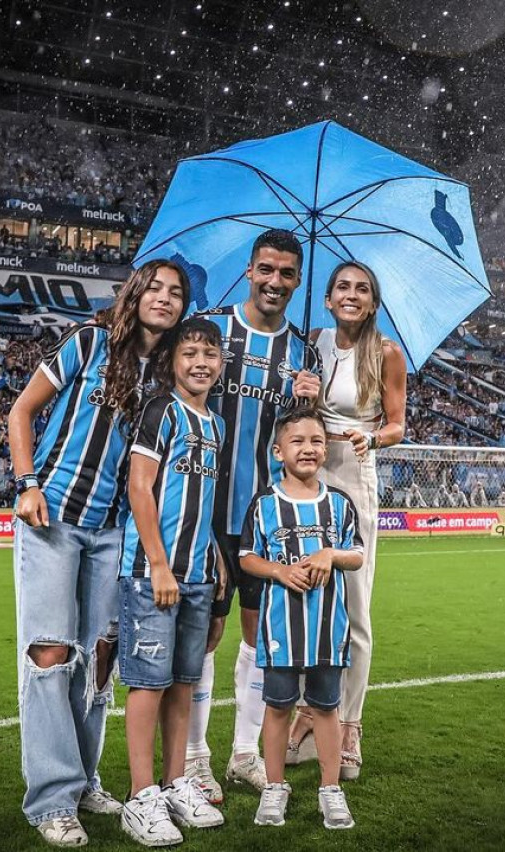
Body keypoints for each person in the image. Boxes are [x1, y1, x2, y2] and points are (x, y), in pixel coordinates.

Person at [7, 259, 190, 847]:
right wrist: (26, 482)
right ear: (134, 293)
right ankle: (51, 800)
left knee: (99, 658)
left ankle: (85, 780)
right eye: (154, 287)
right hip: (54, 519)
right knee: (50, 655)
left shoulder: (167, 378)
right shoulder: (88, 343)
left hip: (114, 531)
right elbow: (21, 410)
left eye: (175, 293)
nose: (163, 298)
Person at [184, 229, 320, 802]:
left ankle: (244, 753)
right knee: (202, 637)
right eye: (267, 269)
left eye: (288, 273)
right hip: (206, 511)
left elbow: (305, 439)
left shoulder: (304, 354)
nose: (276, 281)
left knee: (259, 639)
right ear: (248, 270)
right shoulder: (214, 332)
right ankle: (194, 758)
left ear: (297, 280)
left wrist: (310, 401)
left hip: (268, 519)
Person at [287, 261, 406, 781]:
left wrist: (372, 438)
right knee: (302, 597)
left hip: (355, 472)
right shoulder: (310, 342)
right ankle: (305, 714)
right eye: (342, 287)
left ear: (373, 302)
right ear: (328, 298)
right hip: (307, 468)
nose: (351, 295)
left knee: (354, 608)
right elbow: (293, 410)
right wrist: (302, 394)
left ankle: (350, 724)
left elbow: (399, 423)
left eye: (362, 289)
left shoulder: (386, 353)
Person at [118, 318, 227, 846]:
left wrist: (217, 563)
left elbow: (207, 504)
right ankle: (141, 797)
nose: (200, 362)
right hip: (152, 573)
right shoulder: (161, 410)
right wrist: (159, 564)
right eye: (190, 353)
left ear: (221, 363)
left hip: (200, 576)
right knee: (148, 683)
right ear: (173, 360)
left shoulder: (218, 424)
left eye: (210, 353)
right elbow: (140, 488)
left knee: (184, 681)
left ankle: (175, 780)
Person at [239, 408, 364, 829]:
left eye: (316, 441)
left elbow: (358, 554)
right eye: (297, 441)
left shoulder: (339, 504)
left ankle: (331, 789)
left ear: (325, 451)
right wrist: (279, 570)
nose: (308, 448)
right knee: (278, 708)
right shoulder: (265, 504)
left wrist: (330, 554)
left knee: (326, 709)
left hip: (328, 630)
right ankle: (275, 787)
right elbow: (247, 557)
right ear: (278, 451)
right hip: (280, 631)